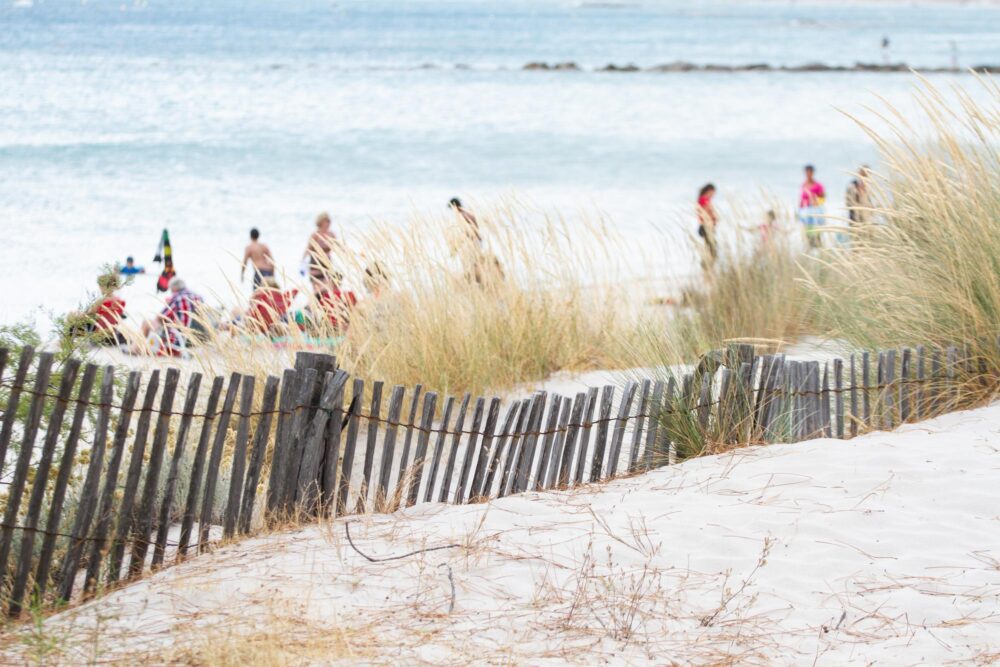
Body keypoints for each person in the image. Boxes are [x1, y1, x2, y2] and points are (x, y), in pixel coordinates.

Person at [140, 277, 205, 356]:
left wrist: (167, 304)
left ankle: (135, 349)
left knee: (147, 322)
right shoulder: (198, 297)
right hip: (198, 339)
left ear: (173, 288)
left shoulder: (177, 298)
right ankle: (145, 347)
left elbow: (161, 317)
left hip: (179, 339)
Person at [448, 198, 504, 285]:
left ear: (454, 206)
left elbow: (467, 231)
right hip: (477, 240)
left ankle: (477, 280)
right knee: (475, 261)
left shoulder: (462, 215)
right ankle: (479, 280)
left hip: (472, 241)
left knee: (472, 263)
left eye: (452, 208)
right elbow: (475, 228)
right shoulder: (469, 213)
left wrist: (457, 246)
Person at [69, 273, 128, 345]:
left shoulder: (101, 302)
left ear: (104, 287)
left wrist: (74, 315)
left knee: (73, 320)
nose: (99, 289)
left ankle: (67, 343)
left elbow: (86, 315)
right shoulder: (120, 301)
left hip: (98, 335)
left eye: (100, 286)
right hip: (111, 334)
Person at [303, 212, 339, 291]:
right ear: (320, 222)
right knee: (317, 290)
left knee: (328, 288)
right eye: (326, 221)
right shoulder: (315, 235)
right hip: (315, 263)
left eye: (328, 221)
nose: (327, 223)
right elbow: (308, 249)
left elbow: (339, 247)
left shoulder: (331, 234)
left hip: (327, 264)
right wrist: (302, 262)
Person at [798, 165, 826, 249]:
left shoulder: (818, 185)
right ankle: (810, 250)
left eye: (810, 172)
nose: (808, 174)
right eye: (807, 172)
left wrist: (816, 202)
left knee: (816, 234)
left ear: (813, 173)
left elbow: (823, 198)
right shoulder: (803, 185)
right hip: (805, 213)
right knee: (808, 234)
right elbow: (802, 199)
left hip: (815, 212)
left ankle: (817, 249)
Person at [696, 183, 719, 266]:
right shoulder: (704, 200)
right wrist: (714, 217)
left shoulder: (703, 200)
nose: (713, 195)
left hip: (707, 227)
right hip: (706, 227)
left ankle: (707, 267)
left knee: (709, 248)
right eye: (712, 193)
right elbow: (707, 213)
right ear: (709, 191)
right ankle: (707, 267)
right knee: (712, 249)